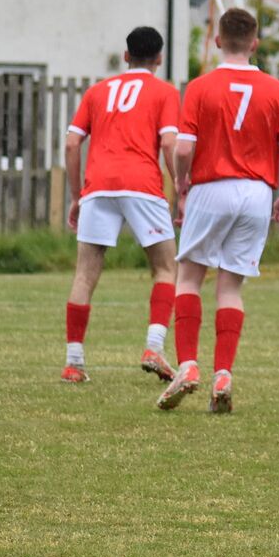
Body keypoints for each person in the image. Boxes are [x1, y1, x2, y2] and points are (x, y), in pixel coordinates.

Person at [156, 8, 279, 413]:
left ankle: (188, 365)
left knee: (189, 277)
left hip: (211, 185)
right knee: (231, 286)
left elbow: (183, 148)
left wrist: (182, 185)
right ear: (254, 43)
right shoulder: (276, 90)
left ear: (218, 41)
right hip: (257, 192)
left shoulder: (201, 87)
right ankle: (224, 372)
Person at [61, 26, 180, 384]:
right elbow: (171, 144)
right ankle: (154, 346)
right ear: (159, 58)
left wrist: (76, 196)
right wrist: (182, 188)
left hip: (97, 187)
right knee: (164, 268)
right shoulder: (165, 92)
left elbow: (71, 144)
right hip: (142, 185)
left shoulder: (98, 91)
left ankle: (73, 362)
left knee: (85, 273)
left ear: (126, 56)